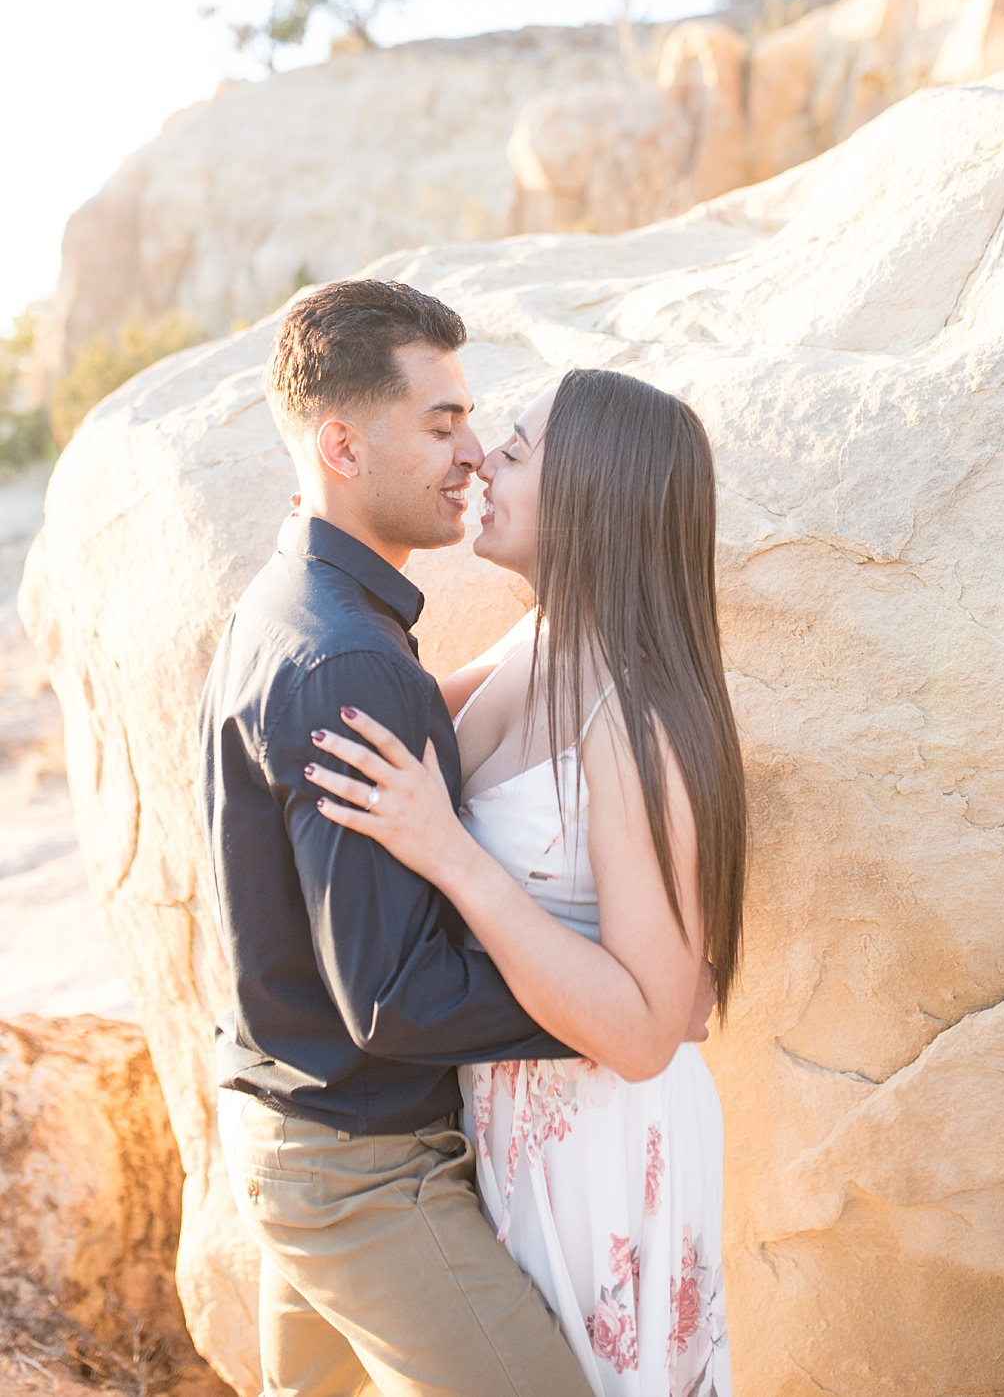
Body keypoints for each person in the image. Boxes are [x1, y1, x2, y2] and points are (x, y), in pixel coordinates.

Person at [305, 362, 743, 1395]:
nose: (481, 463)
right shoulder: (533, 641)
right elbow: (381, 711)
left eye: (515, 446)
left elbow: (644, 1033)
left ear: (590, 488)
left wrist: (451, 856)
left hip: (599, 1141)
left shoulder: (632, 717)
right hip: (505, 1111)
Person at [202, 279, 592, 1395]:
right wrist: (611, 1000)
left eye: (473, 423)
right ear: (340, 441)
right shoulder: (351, 660)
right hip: (359, 1168)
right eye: (440, 423)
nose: (471, 453)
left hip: (287, 1130)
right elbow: (395, 996)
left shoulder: (286, 608)